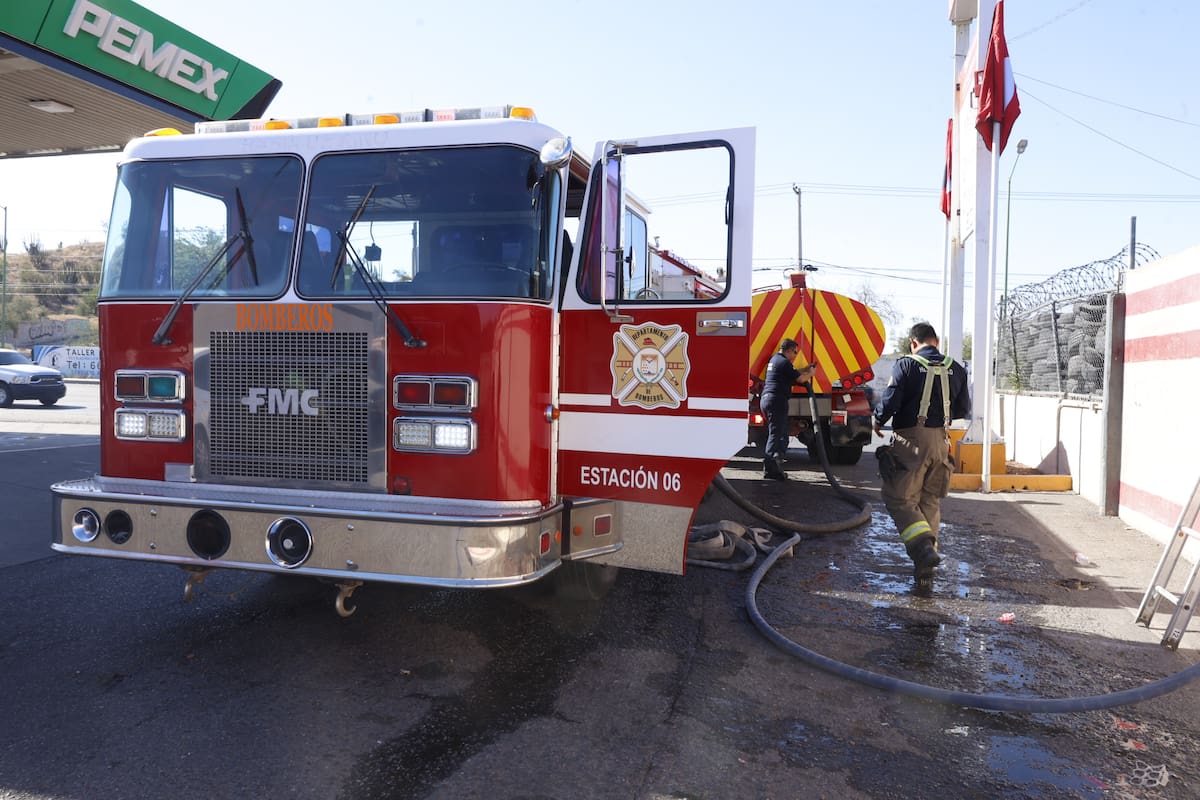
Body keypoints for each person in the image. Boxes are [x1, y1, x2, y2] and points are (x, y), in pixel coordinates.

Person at [873, 322, 970, 592]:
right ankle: (925, 571)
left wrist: (878, 420)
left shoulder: (906, 365)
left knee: (899, 497)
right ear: (936, 341)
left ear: (913, 343)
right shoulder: (956, 368)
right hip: (942, 441)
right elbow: (963, 408)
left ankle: (922, 549)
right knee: (930, 501)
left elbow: (891, 400)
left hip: (911, 441)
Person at [760, 338, 817, 480]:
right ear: (789, 350)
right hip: (776, 400)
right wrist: (811, 373)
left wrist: (805, 369)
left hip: (768, 399)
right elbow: (800, 380)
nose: (795, 355)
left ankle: (774, 467)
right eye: (795, 352)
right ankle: (771, 469)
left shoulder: (775, 360)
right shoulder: (784, 362)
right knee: (776, 434)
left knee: (778, 433)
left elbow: (793, 374)